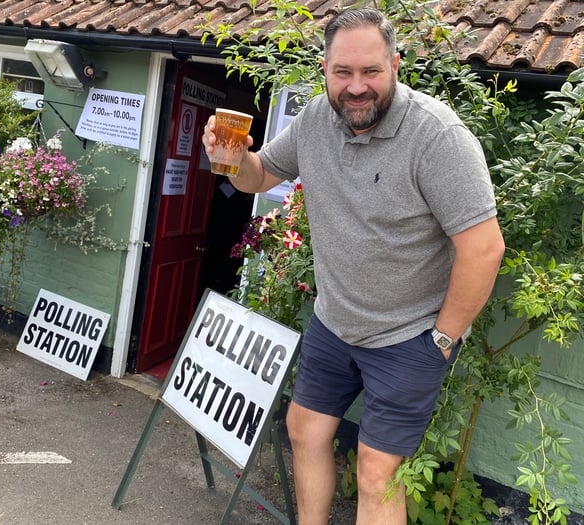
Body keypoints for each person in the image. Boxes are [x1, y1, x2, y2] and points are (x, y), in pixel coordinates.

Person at [202, 7, 505, 524]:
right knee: (304, 430)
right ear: (324, 69)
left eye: (371, 72)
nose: (356, 87)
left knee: (375, 471)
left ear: (396, 64)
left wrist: (442, 340)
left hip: (410, 337)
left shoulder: (437, 137)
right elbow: (259, 177)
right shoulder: (317, 119)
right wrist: (228, 157)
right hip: (334, 322)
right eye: (343, 72)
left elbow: (484, 248)